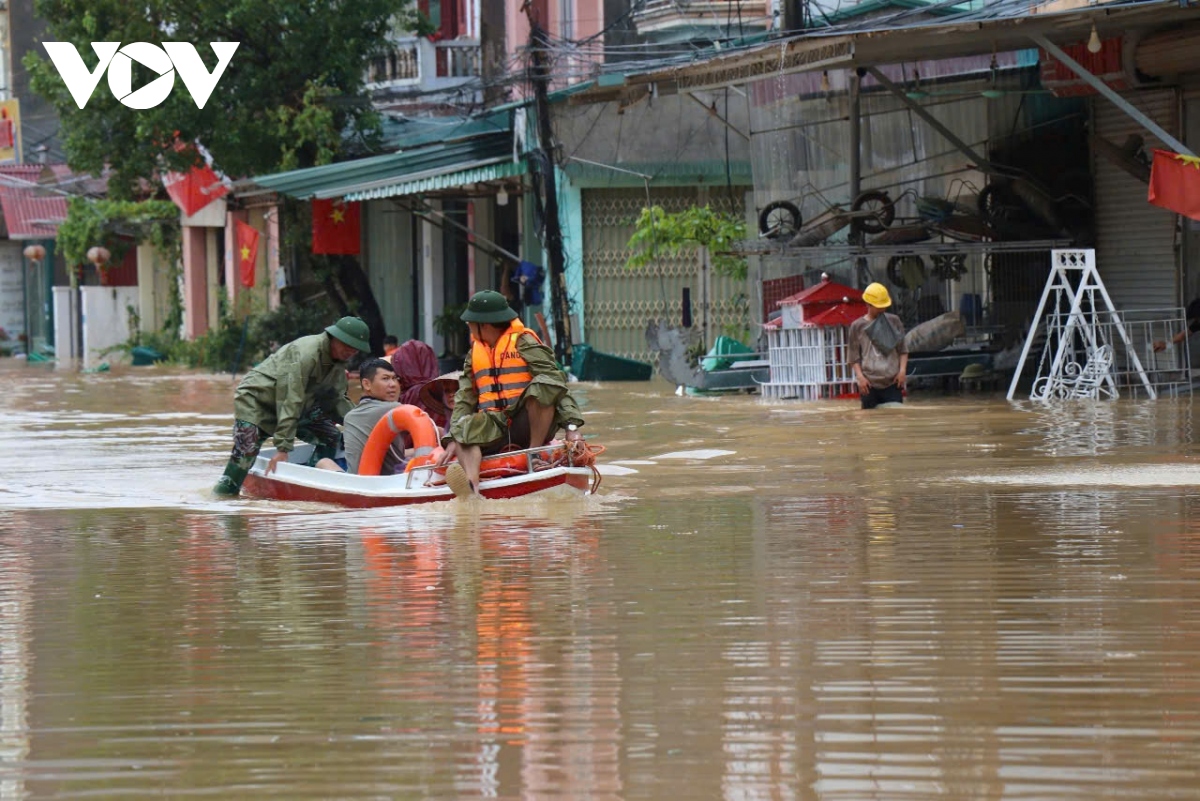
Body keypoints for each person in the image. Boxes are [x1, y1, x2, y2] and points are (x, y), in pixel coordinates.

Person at [436, 290, 584, 498]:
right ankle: (471, 488)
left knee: (542, 385)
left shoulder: (525, 342)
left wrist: (572, 428)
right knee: (463, 428)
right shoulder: (474, 354)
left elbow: (556, 384)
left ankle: (532, 454)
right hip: (493, 425)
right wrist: (453, 437)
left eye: (471, 322)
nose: (468, 327)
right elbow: (464, 398)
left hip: (528, 424)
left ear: (484, 325)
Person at [212, 316, 370, 496]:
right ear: (334, 338)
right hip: (257, 400)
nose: (351, 351)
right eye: (347, 345)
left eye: (355, 348)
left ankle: (312, 484)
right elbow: (290, 399)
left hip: (299, 405)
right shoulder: (306, 353)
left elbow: (335, 401)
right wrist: (282, 448)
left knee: (331, 437)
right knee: (246, 449)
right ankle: (223, 497)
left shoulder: (337, 366)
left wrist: (362, 426)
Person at [323, 358, 407, 475]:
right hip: (383, 483)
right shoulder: (395, 409)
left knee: (324, 462)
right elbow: (432, 429)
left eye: (394, 378)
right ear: (367, 384)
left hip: (353, 481)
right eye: (385, 379)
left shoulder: (350, 416)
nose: (393, 384)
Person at [848, 283, 909, 410]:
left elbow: (902, 349)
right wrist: (860, 378)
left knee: (895, 417)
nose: (882, 310)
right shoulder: (857, 326)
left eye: (884, 307)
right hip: (869, 384)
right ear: (868, 304)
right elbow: (854, 357)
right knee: (870, 423)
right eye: (878, 307)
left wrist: (902, 371)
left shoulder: (894, 321)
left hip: (893, 382)